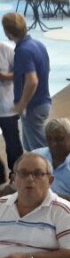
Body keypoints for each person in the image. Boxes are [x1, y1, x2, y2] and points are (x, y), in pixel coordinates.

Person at [0, 35, 21, 173]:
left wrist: (4, 76)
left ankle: (17, 173)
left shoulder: (7, 49)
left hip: (7, 107)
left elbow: (20, 72)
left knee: (13, 143)